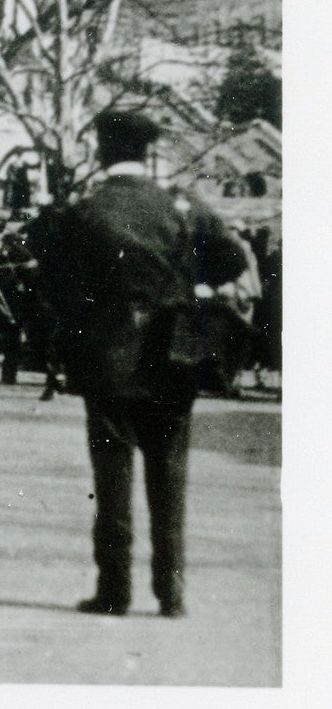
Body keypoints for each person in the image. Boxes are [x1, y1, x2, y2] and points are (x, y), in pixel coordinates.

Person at [28, 108, 249, 618]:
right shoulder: (181, 205)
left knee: (112, 478)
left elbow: (52, 282)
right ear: (147, 153)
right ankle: (171, 592)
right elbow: (233, 260)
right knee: (170, 476)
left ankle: (115, 590)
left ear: (101, 152)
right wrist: (191, 284)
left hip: (106, 360)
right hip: (173, 356)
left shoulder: (85, 211)